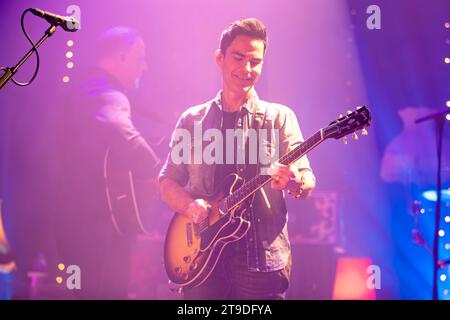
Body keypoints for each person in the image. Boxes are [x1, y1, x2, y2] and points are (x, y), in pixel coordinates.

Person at [159, 18, 316, 300]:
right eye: (238, 58)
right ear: (220, 59)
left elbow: (306, 179)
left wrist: (293, 181)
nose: (247, 69)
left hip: (261, 262)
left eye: (255, 61)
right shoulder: (192, 120)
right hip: (201, 258)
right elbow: (168, 181)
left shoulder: (279, 118)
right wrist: (190, 206)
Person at [54, 26, 159, 299]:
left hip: (82, 226)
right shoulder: (103, 91)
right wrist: (160, 175)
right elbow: (118, 127)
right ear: (121, 57)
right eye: (140, 58)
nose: (144, 67)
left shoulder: (87, 89)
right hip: (96, 230)